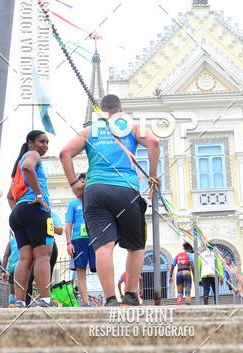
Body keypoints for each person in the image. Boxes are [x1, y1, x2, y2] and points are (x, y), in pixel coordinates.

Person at [59, 94, 159, 307]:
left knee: (103, 247)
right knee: (135, 246)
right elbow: (154, 142)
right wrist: (152, 176)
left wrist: (74, 184)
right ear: (120, 110)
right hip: (126, 189)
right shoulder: (132, 127)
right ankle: (130, 295)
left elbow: (65, 152)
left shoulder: (89, 131)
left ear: (100, 113)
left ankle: (111, 299)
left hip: (95, 191)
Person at [7, 129, 55, 308]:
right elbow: (28, 167)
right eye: (42, 141)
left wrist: (20, 210)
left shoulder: (17, 165)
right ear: (30, 143)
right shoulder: (32, 155)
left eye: (47, 142)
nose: (45, 145)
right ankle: (45, 300)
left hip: (18, 213)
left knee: (24, 259)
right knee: (43, 256)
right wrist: (39, 195)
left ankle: (19, 301)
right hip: (36, 210)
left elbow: (9, 196)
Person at [65, 173, 96, 306]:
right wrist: (69, 243)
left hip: (93, 239)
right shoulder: (72, 204)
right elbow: (68, 224)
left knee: (100, 268)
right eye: (81, 182)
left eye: (85, 182)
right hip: (78, 240)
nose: (83, 185)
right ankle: (86, 302)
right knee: (80, 271)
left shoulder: (93, 201)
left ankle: (109, 297)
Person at [25, 211, 63, 305]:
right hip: (34, 246)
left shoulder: (52, 214)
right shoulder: (30, 212)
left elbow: (60, 231)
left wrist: (44, 224)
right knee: (29, 277)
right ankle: (25, 303)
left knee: (47, 277)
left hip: (50, 246)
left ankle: (46, 301)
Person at [1, 234, 19, 305]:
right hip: (26, 268)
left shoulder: (11, 241)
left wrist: (3, 271)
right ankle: (24, 304)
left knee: (12, 293)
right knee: (25, 290)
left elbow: (5, 256)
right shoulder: (27, 237)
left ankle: (12, 305)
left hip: (13, 268)